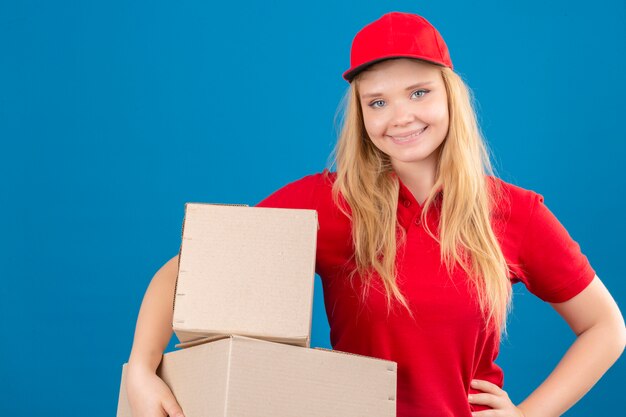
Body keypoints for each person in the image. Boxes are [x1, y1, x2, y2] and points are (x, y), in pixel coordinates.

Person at [125, 11, 625, 417]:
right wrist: (140, 372)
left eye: (419, 93)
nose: (400, 117)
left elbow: (607, 328)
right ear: (361, 115)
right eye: (378, 101)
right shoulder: (330, 202)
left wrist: (527, 416)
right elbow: (188, 271)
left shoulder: (513, 213)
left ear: (450, 95)